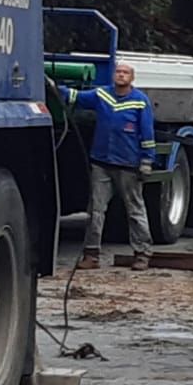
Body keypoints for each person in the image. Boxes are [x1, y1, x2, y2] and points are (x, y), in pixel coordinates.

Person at [59, 62, 157, 271]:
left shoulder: (140, 101)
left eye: (125, 73)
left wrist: (147, 161)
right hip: (101, 163)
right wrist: (54, 87)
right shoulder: (102, 95)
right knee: (95, 210)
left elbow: (147, 133)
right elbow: (76, 97)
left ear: (132, 78)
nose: (121, 75)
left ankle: (142, 254)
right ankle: (91, 254)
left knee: (135, 211)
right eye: (118, 72)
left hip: (128, 164)